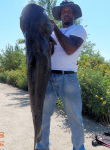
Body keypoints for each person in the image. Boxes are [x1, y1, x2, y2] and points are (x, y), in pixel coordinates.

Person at [36, 0, 87, 150]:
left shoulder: (79, 29)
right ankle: (41, 146)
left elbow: (70, 49)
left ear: (74, 14)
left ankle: (78, 148)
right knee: (44, 115)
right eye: (63, 11)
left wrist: (55, 29)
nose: (66, 13)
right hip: (49, 77)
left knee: (75, 118)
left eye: (69, 11)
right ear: (60, 14)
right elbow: (49, 53)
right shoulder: (51, 32)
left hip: (69, 78)